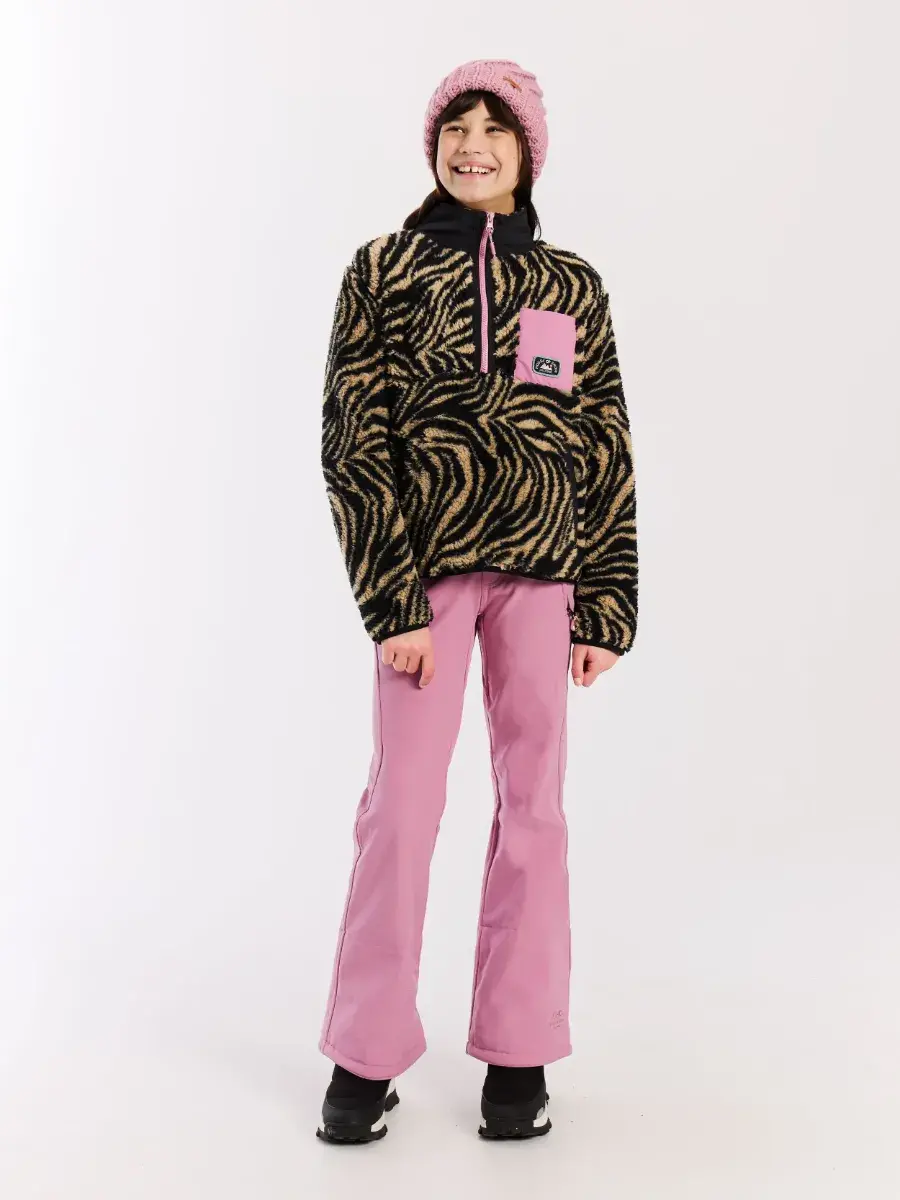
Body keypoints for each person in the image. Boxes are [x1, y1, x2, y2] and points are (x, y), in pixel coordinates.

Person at [315, 58, 639, 1144]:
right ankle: (365, 1055)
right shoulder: (382, 269)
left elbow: (604, 445)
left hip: (544, 577)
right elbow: (354, 441)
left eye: (496, 128)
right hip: (426, 584)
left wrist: (606, 604)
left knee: (535, 808)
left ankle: (518, 1050)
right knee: (401, 809)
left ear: (526, 152)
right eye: (457, 125)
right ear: (434, 146)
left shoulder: (573, 286)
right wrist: (391, 598)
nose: (474, 144)